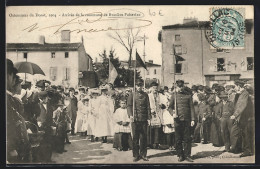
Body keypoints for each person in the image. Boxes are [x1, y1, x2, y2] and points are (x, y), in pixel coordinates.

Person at [168, 80, 195, 162]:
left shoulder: (188, 96)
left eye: (181, 86)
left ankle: (187, 155)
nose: (180, 88)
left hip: (187, 119)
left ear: (183, 86)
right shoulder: (174, 96)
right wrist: (173, 113)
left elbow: (191, 108)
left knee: (187, 138)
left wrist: (193, 119)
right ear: (176, 86)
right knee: (178, 139)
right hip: (178, 120)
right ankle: (180, 155)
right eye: (179, 86)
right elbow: (169, 107)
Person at [127, 79, 151, 162]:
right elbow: (129, 106)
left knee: (144, 138)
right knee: (135, 138)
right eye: (138, 85)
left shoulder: (145, 95)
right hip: (135, 119)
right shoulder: (132, 95)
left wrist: (149, 118)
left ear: (142, 86)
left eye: (140, 85)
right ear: (135, 86)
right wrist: (130, 115)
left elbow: (148, 107)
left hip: (144, 119)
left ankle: (143, 154)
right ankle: (136, 155)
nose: (139, 87)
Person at [230, 80, 254, 157]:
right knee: (240, 133)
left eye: (235, 86)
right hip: (240, 118)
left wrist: (235, 115)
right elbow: (237, 105)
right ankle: (239, 148)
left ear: (239, 86)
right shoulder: (241, 94)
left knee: (246, 134)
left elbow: (242, 105)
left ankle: (247, 151)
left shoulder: (245, 94)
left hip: (245, 118)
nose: (235, 88)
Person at [147, 81, 162, 149]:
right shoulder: (148, 96)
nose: (155, 89)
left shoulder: (159, 95)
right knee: (151, 128)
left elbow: (162, 103)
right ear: (151, 88)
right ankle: (150, 143)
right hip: (151, 112)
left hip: (158, 113)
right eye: (153, 88)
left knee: (157, 129)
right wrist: (150, 111)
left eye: (156, 88)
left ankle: (156, 143)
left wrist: (161, 105)